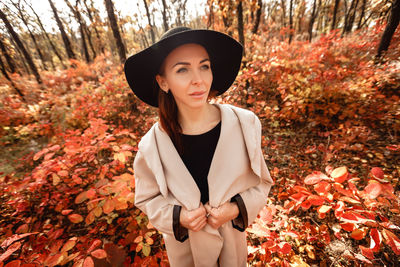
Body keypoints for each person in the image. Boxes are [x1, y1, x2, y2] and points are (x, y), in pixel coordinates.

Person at [124, 26, 273, 267]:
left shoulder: (244, 124)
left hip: (231, 250)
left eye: (204, 66)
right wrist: (180, 217)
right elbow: (147, 199)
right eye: (182, 69)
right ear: (163, 82)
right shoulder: (152, 145)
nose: (198, 80)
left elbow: (262, 183)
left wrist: (234, 209)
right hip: (186, 253)